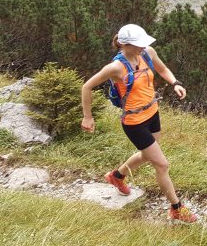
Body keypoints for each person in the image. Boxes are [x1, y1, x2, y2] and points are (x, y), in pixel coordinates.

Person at [80, 23, 198, 223]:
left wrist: (175, 83)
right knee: (161, 164)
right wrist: (88, 116)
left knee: (147, 154)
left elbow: (162, 68)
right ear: (124, 44)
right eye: (138, 44)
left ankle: (117, 176)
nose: (143, 47)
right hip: (134, 122)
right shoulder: (115, 67)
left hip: (152, 112)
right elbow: (87, 87)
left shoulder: (147, 53)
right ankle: (176, 208)